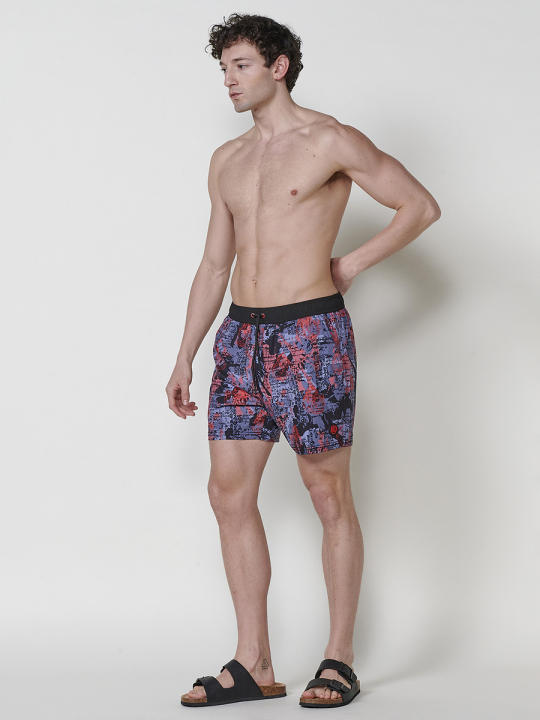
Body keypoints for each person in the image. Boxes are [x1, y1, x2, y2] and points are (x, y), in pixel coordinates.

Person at [166, 12, 441, 709]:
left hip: (310, 334)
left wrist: (350, 264)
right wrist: (185, 354)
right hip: (241, 339)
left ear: (278, 66)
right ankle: (253, 663)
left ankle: (339, 658)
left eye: (241, 66)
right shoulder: (228, 160)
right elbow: (214, 263)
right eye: (224, 68)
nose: (229, 80)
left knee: (327, 495)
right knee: (228, 494)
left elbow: (418, 206)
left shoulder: (330, 140)